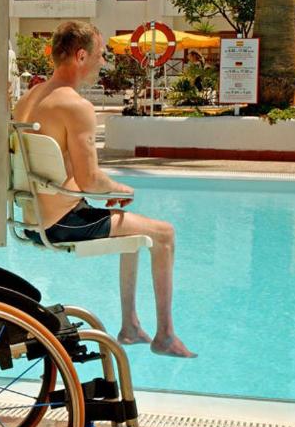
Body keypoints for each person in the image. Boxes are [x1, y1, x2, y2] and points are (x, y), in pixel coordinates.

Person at [13, 20, 196, 358]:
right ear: (81, 56)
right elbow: (90, 181)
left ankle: (130, 327)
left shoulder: (28, 98)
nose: (102, 62)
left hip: (34, 219)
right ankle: (166, 336)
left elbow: (69, 177)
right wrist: (122, 188)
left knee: (131, 229)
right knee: (165, 233)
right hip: (63, 223)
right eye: (99, 54)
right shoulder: (75, 106)